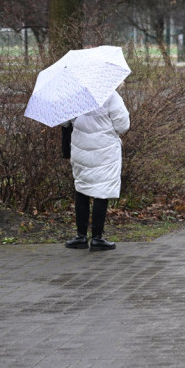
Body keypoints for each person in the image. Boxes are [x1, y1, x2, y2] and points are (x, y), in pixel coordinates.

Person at [65, 89, 130, 252]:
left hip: (81, 149)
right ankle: (97, 238)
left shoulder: (75, 95)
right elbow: (123, 125)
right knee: (103, 189)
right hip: (105, 151)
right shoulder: (110, 95)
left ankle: (80, 237)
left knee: (82, 188)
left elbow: (64, 122)